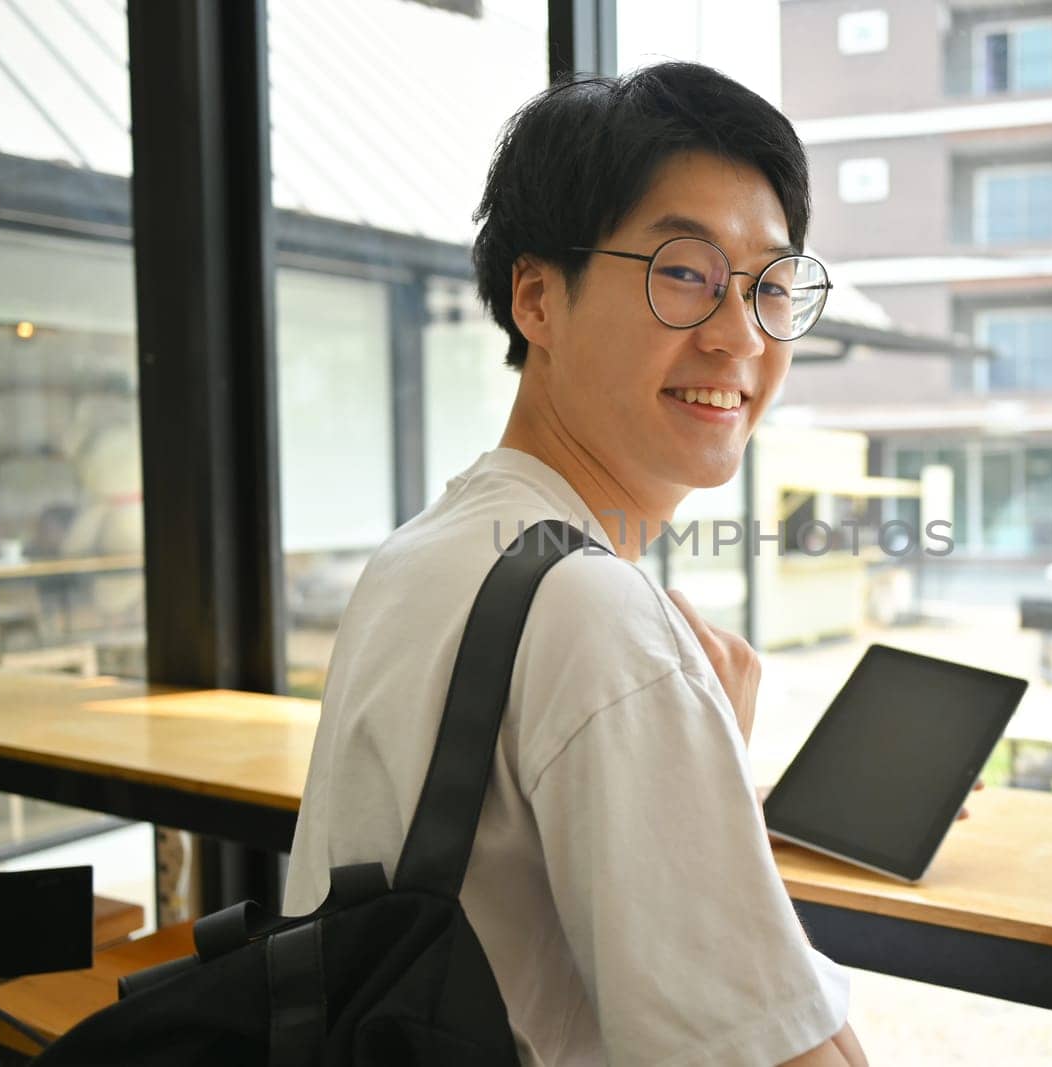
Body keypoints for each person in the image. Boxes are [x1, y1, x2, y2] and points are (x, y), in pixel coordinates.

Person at [284, 61, 868, 1066]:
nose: (739, 336)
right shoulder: (600, 618)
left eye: (770, 285)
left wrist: (691, 748)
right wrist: (691, 740)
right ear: (537, 299)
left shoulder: (423, 549)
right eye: (683, 270)